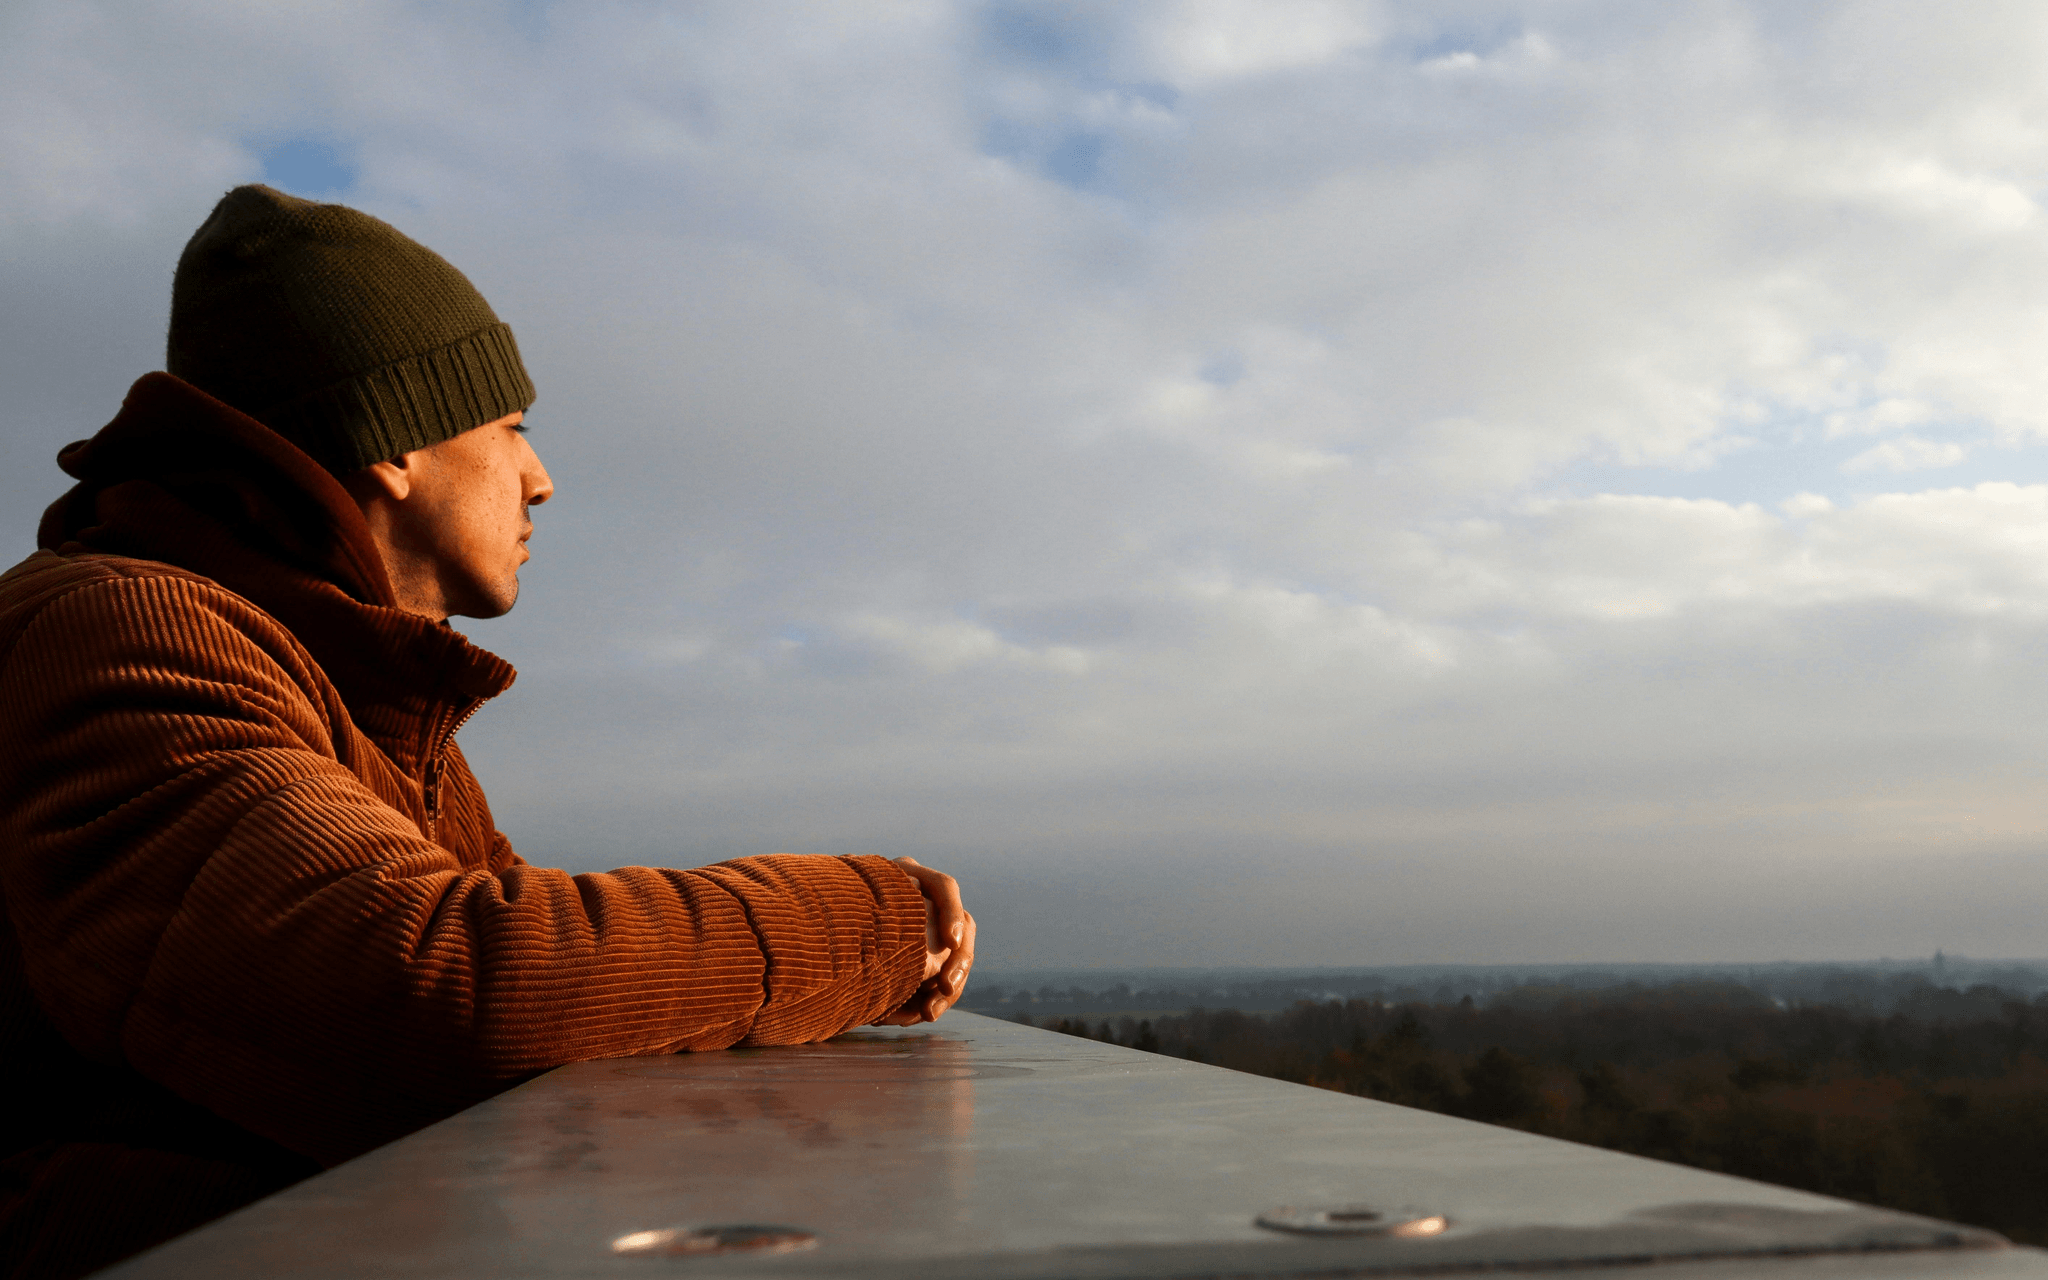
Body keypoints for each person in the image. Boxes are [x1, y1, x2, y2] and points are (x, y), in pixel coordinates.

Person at [0, 185, 976, 1280]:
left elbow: (538, 948)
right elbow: (454, 980)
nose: (541, 478)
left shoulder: (350, 691)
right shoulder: (120, 625)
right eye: (509, 426)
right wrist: (866, 918)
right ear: (393, 446)